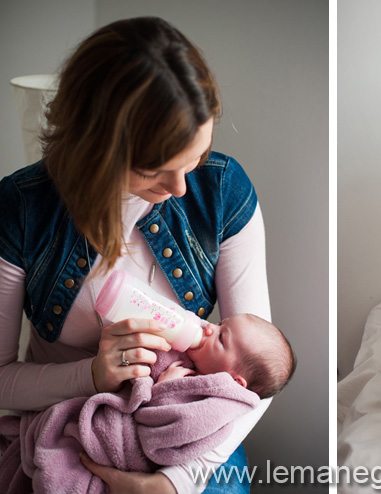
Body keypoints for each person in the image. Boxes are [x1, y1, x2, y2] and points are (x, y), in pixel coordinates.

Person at [0, 17, 273, 493]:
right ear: (94, 152)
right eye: (153, 173)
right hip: (60, 427)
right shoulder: (21, 209)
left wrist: (174, 482)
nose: (179, 188)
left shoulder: (223, 192)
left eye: (195, 159)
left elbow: (254, 380)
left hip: (188, 434)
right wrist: (90, 376)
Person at [157, 314, 296, 400]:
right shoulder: (196, 336)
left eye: (221, 338)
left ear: (234, 382)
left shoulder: (210, 407)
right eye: (219, 323)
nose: (210, 327)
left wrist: (164, 388)